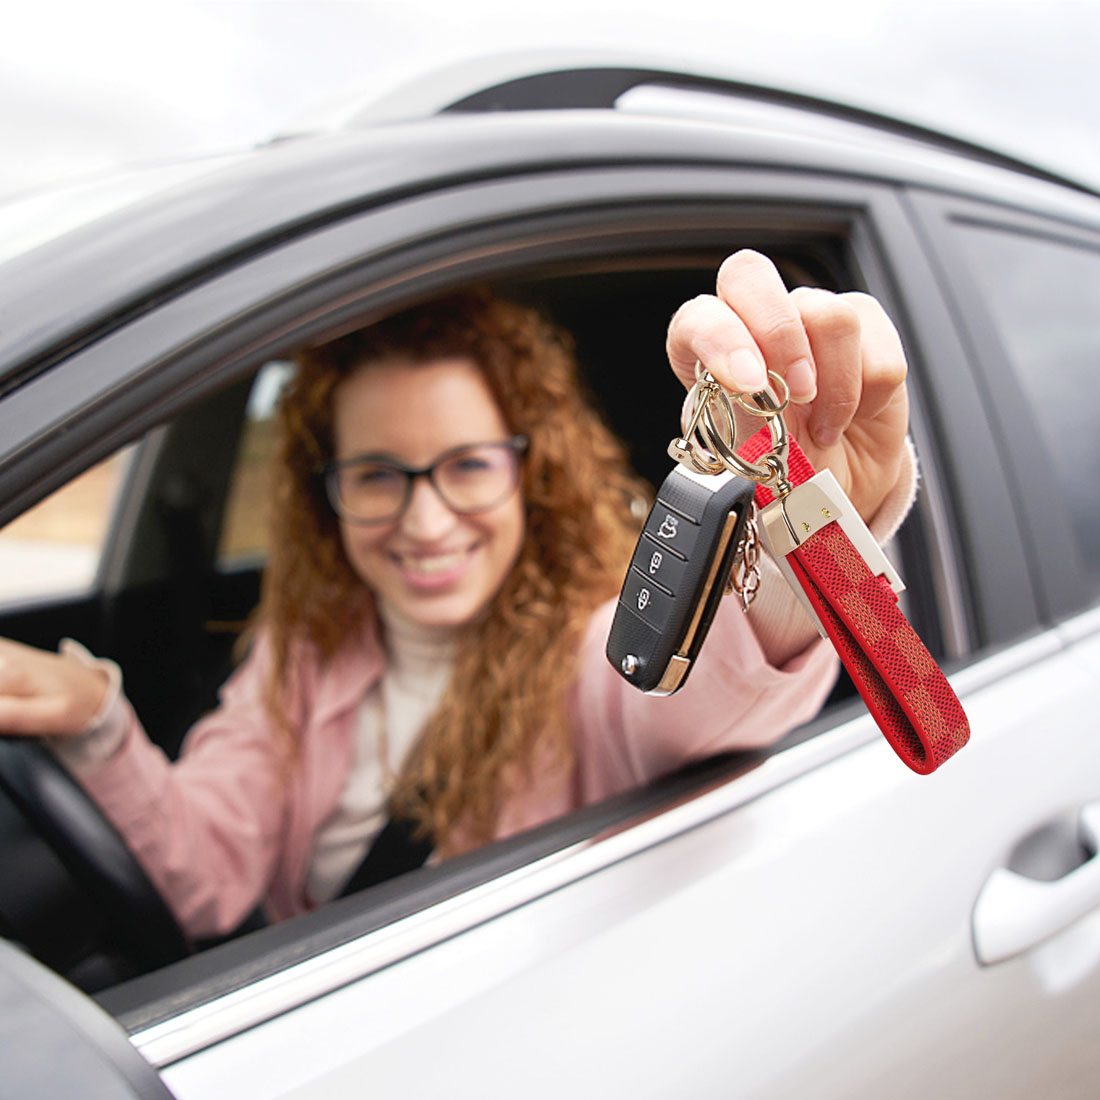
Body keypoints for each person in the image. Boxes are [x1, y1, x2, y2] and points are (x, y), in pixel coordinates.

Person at [0, 251, 915, 940]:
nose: (425, 521)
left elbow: (704, 698)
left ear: (532, 472)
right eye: (377, 476)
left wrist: (814, 525)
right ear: (328, 494)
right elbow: (207, 874)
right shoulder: (304, 648)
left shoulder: (596, 643)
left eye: (468, 466)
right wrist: (97, 720)